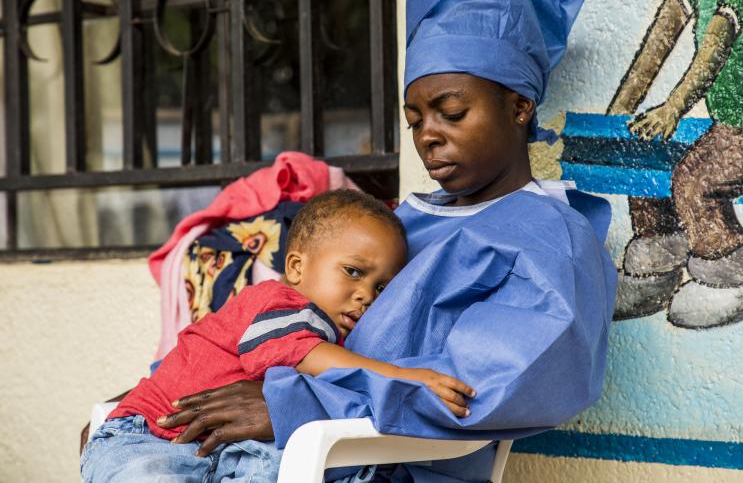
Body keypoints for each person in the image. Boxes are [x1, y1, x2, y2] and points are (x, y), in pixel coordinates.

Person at [147, 0, 618, 481]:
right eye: (415, 120)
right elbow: (280, 324)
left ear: (519, 106)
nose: (428, 137)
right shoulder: (398, 223)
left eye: (452, 112)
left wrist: (291, 404)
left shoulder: (550, 242)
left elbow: (475, 389)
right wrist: (151, 400)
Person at [80, 190, 476, 482]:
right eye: (354, 272)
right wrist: (407, 376)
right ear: (297, 266)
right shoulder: (278, 303)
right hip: (153, 438)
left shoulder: (327, 333)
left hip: (233, 450)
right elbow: (305, 356)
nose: (365, 295)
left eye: (381, 288)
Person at [608, 0, 743, 328]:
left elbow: (721, 31)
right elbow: (669, 19)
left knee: (695, 182)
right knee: (645, 154)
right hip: (733, 114)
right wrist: (621, 109)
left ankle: (732, 275)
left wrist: (674, 107)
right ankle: (656, 264)